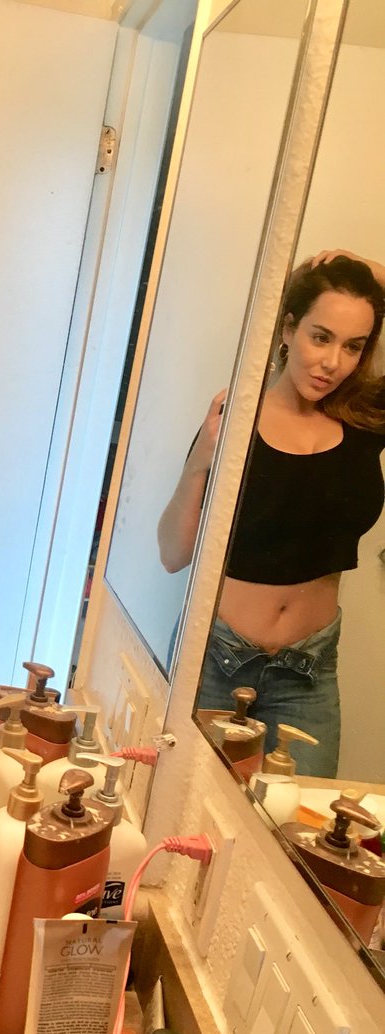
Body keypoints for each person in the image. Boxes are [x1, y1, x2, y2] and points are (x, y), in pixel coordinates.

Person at [158, 253, 385, 776]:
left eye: (353, 346)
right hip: (215, 661)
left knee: (290, 822)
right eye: (320, 337)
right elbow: (172, 554)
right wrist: (199, 463)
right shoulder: (235, 422)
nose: (333, 363)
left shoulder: (366, 421)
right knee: (182, 809)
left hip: (308, 673)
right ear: (287, 328)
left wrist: (372, 272)